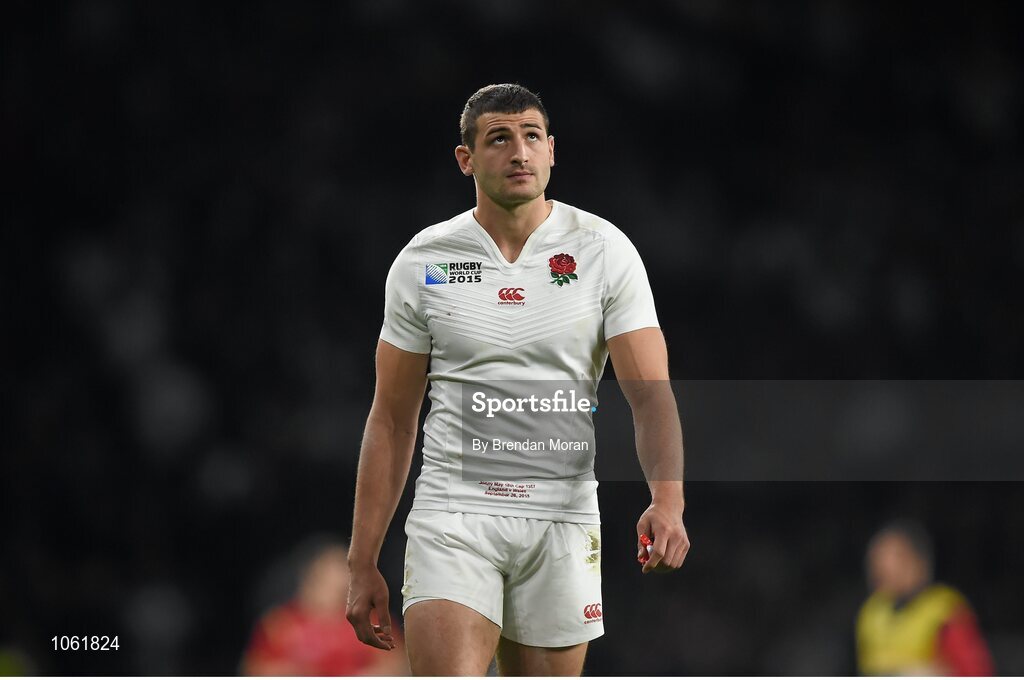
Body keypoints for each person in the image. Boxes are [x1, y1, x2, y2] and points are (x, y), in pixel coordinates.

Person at [346, 83, 689, 676]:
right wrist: (361, 560)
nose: (519, 152)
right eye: (499, 138)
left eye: (532, 137)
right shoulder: (425, 262)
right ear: (466, 159)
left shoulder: (603, 251)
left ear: (552, 151)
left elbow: (650, 395)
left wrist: (668, 500)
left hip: (561, 517)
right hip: (454, 516)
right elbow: (393, 418)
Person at [242, 542, 407, 676]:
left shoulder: (370, 620)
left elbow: (397, 665)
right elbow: (257, 668)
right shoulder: (280, 623)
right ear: (312, 578)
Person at [856, 520, 994, 676]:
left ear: (918, 561)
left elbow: (977, 672)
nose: (881, 566)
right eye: (876, 558)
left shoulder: (945, 610)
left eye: (891, 557)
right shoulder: (872, 611)